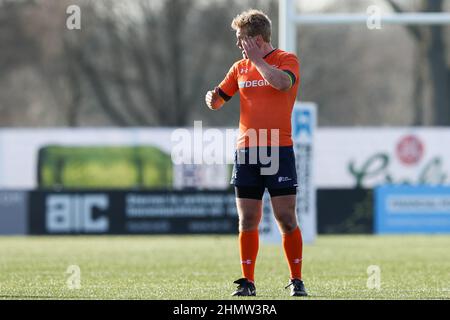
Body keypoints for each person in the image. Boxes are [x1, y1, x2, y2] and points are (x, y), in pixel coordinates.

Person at [205, 9, 307, 297]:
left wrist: (259, 60)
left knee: (285, 217)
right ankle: (247, 282)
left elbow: (282, 83)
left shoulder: (286, 60)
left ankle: (296, 279)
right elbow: (219, 100)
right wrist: (212, 100)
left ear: (257, 39)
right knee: (247, 219)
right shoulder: (239, 68)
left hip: (279, 149)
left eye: (242, 39)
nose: (238, 45)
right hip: (247, 150)